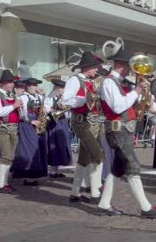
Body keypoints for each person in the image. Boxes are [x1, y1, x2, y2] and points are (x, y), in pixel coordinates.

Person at [97, 42, 156, 218]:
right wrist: (137, 90)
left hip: (126, 130)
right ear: (121, 64)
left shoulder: (123, 83)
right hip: (117, 131)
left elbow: (139, 105)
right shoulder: (108, 83)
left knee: (117, 169)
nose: (131, 70)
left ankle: (103, 204)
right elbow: (118, 107)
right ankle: (145, 207)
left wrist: (145, 96)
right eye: (129, 66)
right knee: (132, 165)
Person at [62, 51, 105, 203]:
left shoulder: (93, 81)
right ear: (87, 67)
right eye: (95, 67)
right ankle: (95, 193)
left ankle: (75, 192)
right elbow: (66, 100)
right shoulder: (74, 80)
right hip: (82, 121)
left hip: (96, 122)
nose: (96, 70)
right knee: (98, 154)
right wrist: (84, 99)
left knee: (84, 158)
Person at [0, 70, 23, 191]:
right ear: (2, 83)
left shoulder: (13, 96)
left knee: (10, 156)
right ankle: (1, 184)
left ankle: (4, 182)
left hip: (14, 128)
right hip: (1, 128)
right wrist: (14, 106)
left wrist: (21, 109)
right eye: (9, 82)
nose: (12, 84)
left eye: (12, 82)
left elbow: (20, 114)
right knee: (6, 155)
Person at [11, 77, 48, 186]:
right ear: (27, 87)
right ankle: (27, 176)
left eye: (35, 85)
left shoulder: (40, 97)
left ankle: (36, 173)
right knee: (29, 148)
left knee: (39, 148)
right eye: (32, 85)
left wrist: (45, 111)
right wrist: (31, 121)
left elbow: (44, 109)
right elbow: (21, 113)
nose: (34, 87)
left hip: (39, 122)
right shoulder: (23, 97)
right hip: (27, 124)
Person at [44, 79, 72, 178]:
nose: (62, 90)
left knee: (62, 145)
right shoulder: (50, 97)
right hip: (54, 122)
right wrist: (53, 110)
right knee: (54, 145)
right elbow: (46, 108)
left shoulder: (63, 97)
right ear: (56, 88)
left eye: (63, 89)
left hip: (63, 121)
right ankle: (52, 171)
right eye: (61, 88)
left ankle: (58, 170)